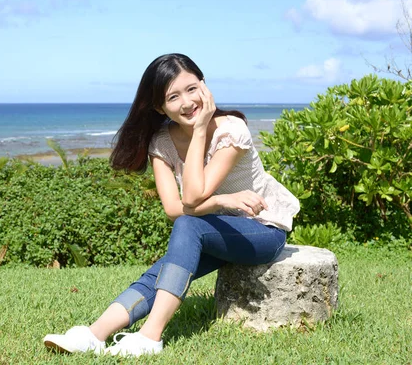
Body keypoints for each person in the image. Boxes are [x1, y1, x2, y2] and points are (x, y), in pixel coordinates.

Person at [43, 53, 300, 357]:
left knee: (189, 225)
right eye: (173, 97)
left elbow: (190, 200)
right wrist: (220, 200)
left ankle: (150, 336)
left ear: (204, 86)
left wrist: (201, 129)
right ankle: (94, 335)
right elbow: (172, 209)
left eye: (192, 89)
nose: (187, 102)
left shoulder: (231, 132)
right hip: (212, 228)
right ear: (159, 107)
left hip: (262, 229)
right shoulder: (162, 142)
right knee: (164, 269)